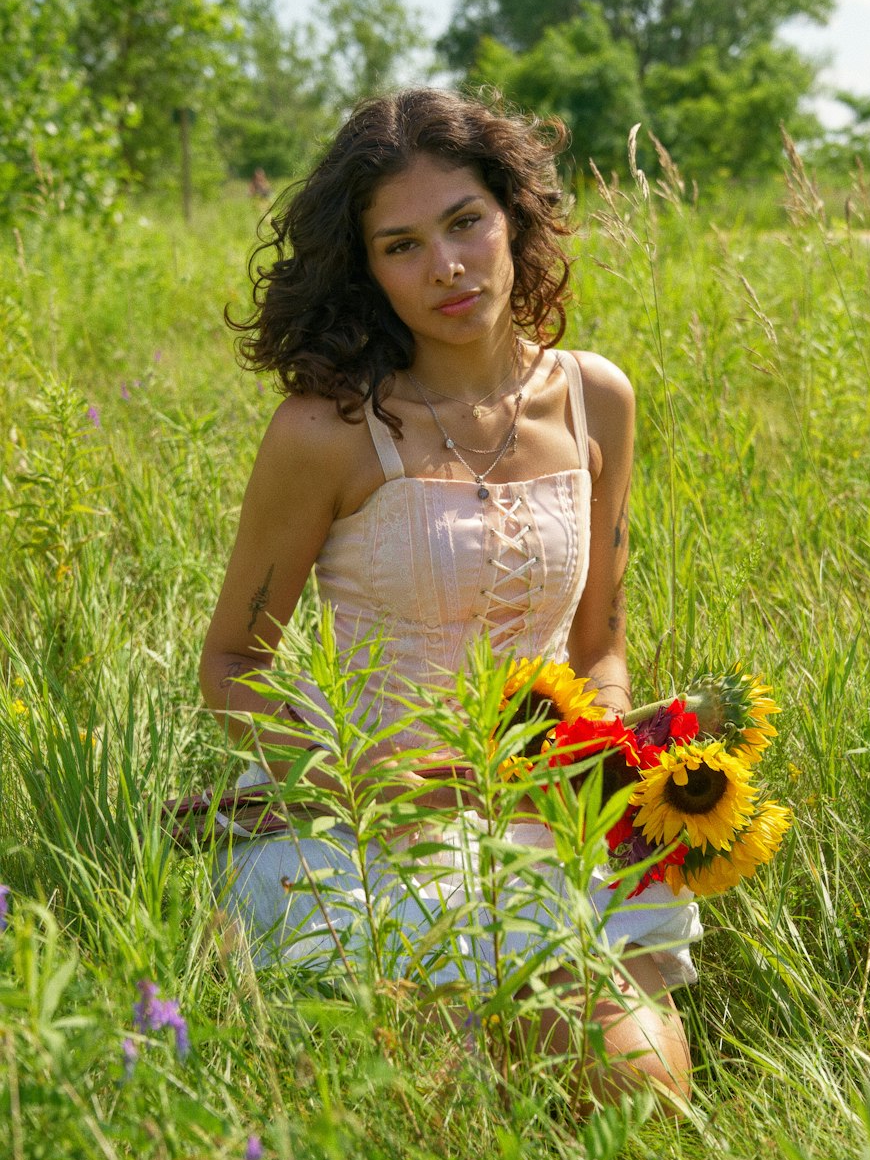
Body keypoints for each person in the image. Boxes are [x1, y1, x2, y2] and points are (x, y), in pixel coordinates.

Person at [200, 88, 701, 1105]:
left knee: (640, 1087)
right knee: (446, 1101)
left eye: (465, 222)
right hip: (371, 830)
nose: (447, 267)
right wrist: (361, 769)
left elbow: (597, 644)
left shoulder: (596, 397)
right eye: (402, 244)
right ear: (366, 268)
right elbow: (231, 666)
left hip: (553, 821)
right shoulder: (326, 432)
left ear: (514, 215)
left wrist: (596, 757)